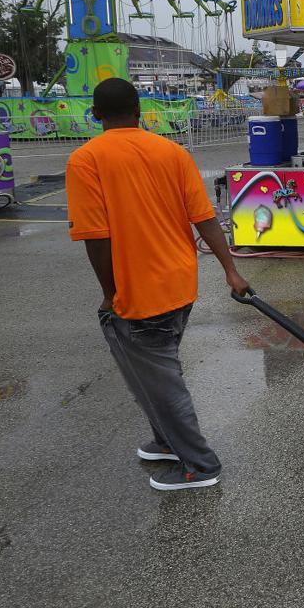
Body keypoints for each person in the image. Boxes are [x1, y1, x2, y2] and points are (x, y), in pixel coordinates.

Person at [66, 77, 250, 492]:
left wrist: (111, 294)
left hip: (140, 292)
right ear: (139, 110)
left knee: (162, 381)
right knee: (147, 371)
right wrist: (230, 271)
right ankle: (167, 442)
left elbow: (97, 237)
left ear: (95, 115)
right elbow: (204, 217)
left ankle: (201, 465)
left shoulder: (86, 160)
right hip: (180, 283)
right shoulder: (171, 152)